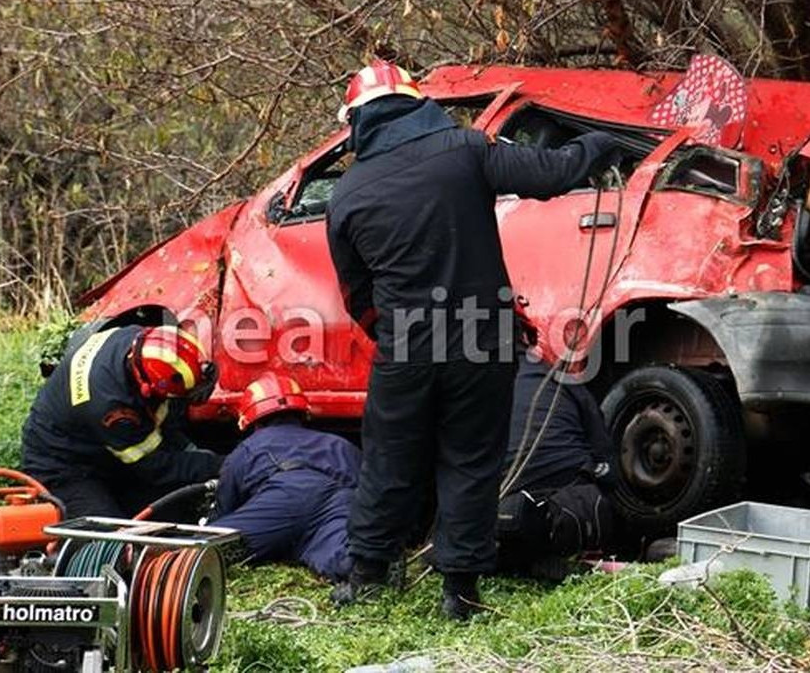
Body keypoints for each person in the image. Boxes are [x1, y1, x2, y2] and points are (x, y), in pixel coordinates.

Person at [326, 59, 621, 619]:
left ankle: (365, 577)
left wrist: (392, 336)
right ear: (416, 105)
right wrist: (605, 143)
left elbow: (356, 293)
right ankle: (458, 594)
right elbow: (551, 173)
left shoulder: (347, 192)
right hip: (482, 344)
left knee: (390, 458)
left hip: (406, 349)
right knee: (471, 461)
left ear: (359, 122)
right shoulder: (467, 150)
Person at [22, 324, 221, 519]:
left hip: (101, 444)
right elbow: (155, 466)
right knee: (109, 538)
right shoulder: (115, 411)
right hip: (63, 464)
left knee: (174, 509)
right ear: (147, 389)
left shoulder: (140, 340)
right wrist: (219, 465)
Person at [211, 373, 361, 580]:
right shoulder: (341, 444)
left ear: (252, 421)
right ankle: (356, 565)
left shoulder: (247, 449)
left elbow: (225, 506)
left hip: (284, 500)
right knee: (335, 548)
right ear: (302, 413)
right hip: (339, 501)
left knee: (207, 548)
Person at [497, 356, 616, 579]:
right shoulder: (564, 380)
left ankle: (524, 565)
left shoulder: (474, 383)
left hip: (505, 523)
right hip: (575, 519)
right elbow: (607, 464)